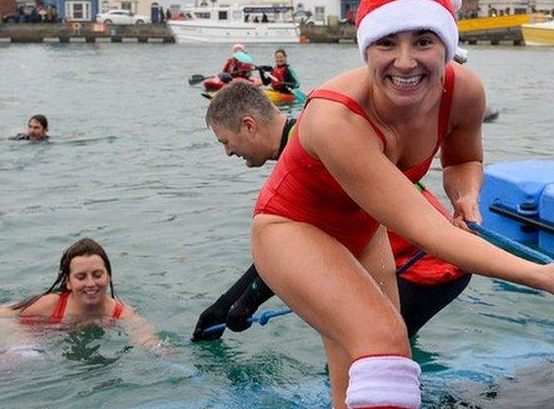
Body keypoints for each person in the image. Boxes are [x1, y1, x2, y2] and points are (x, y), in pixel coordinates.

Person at [247, 0, 554, 409]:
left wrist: (465, 194)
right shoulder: (335, 118)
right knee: (385, 343)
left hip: (362, 230)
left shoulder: (462, 91)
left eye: (423, 41)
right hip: (292, 229)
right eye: (387, 43)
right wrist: (543, 276)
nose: (405, 61)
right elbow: (424, 229)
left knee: (357, 399)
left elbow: (465, 158)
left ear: (447, 44)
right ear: (366, 48)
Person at [193, 82, 471, 342]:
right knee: (374, 357)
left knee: (363, 360)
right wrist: (225, 305)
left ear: (249, 126)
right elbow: (284, 248)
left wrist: (245, 302)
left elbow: (292, 252)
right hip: (431, 257)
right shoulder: (311, 132)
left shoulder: (314, 154)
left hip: (428, 265)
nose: (228, 153)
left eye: (225, 142)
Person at [0, 238, 159, 349]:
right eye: (81, 277)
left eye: (97, 274)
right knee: (29, 361)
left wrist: (160, 351)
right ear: (67, 281)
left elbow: (144, 336)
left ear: (109, 276)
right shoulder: (50, 304)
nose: (91, 283)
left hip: (50, 338)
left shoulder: (119, 311)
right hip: (15, 330)